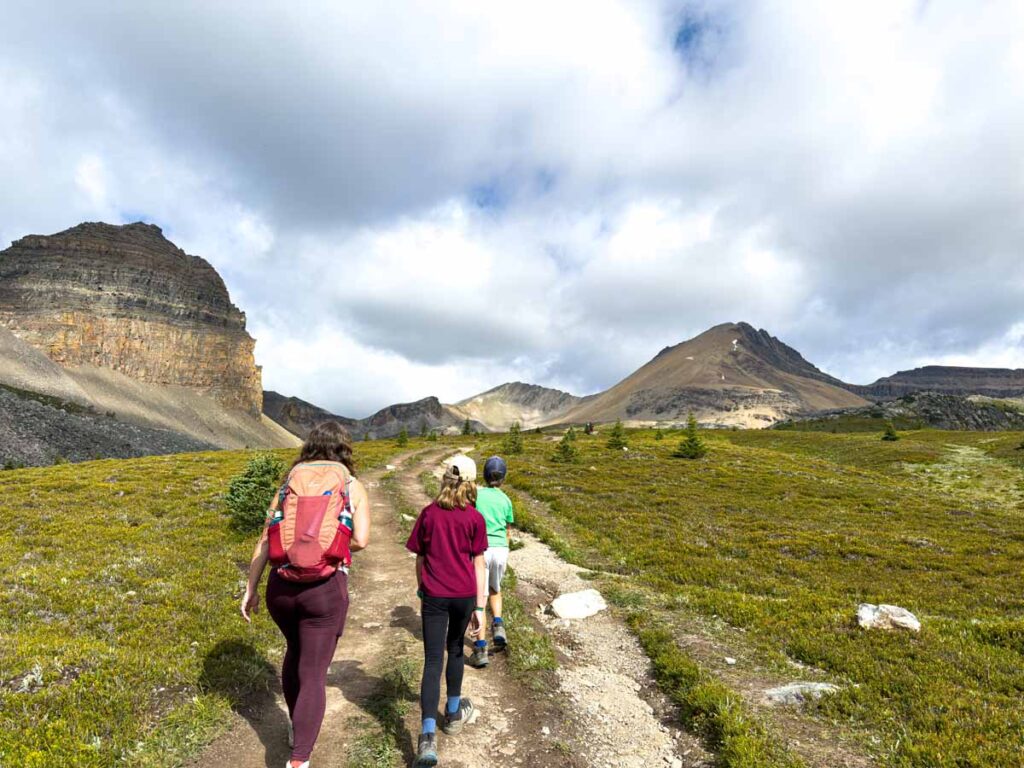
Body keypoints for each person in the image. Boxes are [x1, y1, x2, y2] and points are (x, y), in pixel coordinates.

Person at [240, 421, 370, 768]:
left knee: (293, 652)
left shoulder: (289, 482)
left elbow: (267, 538)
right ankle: (299, 760)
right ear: (343, 448)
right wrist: (328, 550)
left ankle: (297, 731)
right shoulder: (350, 483)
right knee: (313, 670)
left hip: (280, 588)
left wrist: (250, 588)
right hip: (324, 591)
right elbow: (361, 539)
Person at [406, 455, 488, 767]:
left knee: (432, 660)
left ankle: (427, 736)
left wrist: (421, 590)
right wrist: (479, 606)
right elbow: (478, 563)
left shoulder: (428, 514)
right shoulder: (474, 518)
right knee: (455, 651)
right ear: (470, 484)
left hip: (435, 596)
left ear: (444, 479)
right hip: (465, 594)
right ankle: (453, 713)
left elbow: (419, 558)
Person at [468, 455, 515, 668]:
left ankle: (480, 648)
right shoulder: (506, 500)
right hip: (500, 550)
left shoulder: (476, 495)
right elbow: (507, 530)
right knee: (496, 589)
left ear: (484, 475)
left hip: (481, 550)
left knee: (479, 599)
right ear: (503, 477)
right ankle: (498, 625)